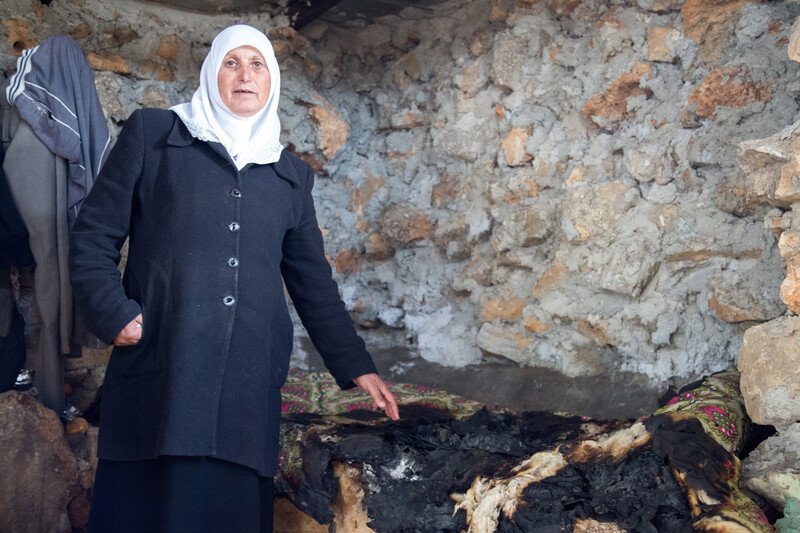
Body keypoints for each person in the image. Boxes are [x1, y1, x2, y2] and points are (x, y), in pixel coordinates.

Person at [69, 24, 399, 532]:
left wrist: (357, 365)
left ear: (272, 81)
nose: (245, 75)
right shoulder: (154, 135)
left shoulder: (290, 175)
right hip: (162, 368)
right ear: (211, 71)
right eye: (231, 62)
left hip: (244, 388)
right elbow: (92, 235)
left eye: (257, 64)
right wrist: (114, 313)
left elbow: (313, 282)